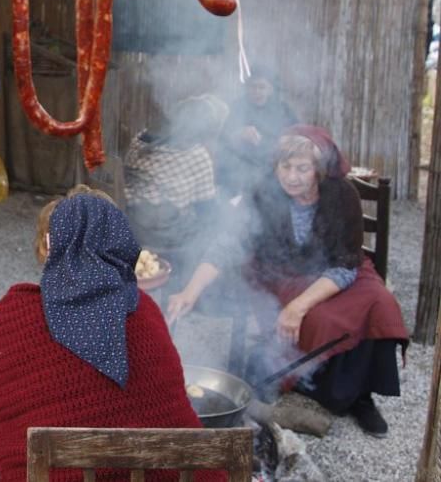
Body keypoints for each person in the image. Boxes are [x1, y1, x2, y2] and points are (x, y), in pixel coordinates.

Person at [0, 185, 223, 481]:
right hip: (166, 473)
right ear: (121, 245)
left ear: (50, 244)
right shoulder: (146, 312)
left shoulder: (13, 315)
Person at [167, 126, 408, 438]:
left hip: (339, 270)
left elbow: (346, 264)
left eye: (302, 168)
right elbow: (228, 245)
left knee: (381, 303)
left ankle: (362, 398)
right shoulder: (263, 192)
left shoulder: (341, 194)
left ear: (318, 169)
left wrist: (297, 306)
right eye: (286, 167)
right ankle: (328, 393)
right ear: (275, 166)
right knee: (322, 317)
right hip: (284, 273)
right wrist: (190, 290)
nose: (292, 177)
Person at [123, 94, 229, 269]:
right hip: (169, 236)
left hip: (134, 226)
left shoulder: (140, 140)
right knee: (213, 227)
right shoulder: (196, 154)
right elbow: (206, 208)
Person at [216, 65, 299, 197]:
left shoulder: (283, 110)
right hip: (243, 168)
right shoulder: (237, 107)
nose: (257, 91)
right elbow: (222, 140)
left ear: (270, 89)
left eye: (262, 87)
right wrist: (238, 134)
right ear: (247, 88)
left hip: (274, 167)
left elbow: (297, 138)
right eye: (253, 87)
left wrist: (280, 143)